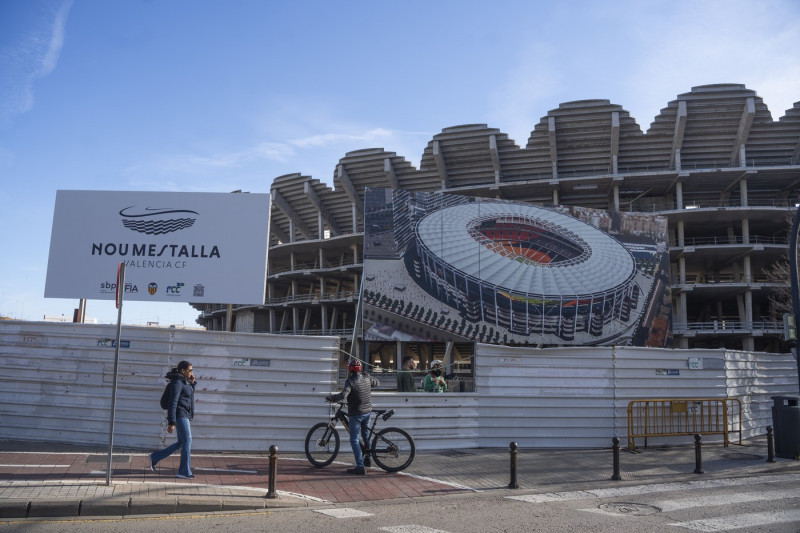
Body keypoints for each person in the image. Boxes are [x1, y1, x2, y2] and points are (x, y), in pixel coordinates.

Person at [325, 358, 378, 475]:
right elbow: (377, 383)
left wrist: (332, 397)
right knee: (366, 435)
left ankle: (360, 466)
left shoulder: (350, 381)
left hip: (357, 414)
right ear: (360, 368)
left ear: (349, 369)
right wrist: (369, 376)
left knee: (354, 440)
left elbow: (344, 395)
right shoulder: (366, 377)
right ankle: (367, 459)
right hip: (367, 412)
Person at [149, 360, 196, 479]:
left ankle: (155, 457)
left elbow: (186, 397)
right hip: (180, 414)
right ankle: (184, 472)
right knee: (187, 441)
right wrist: (171, 422)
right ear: (183, 371)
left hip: (184, 414)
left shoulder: (184, 382)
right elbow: (172, 402)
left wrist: (192, 384)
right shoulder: (177, 383)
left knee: (182, 442)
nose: (192, 372)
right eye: (190, 370)